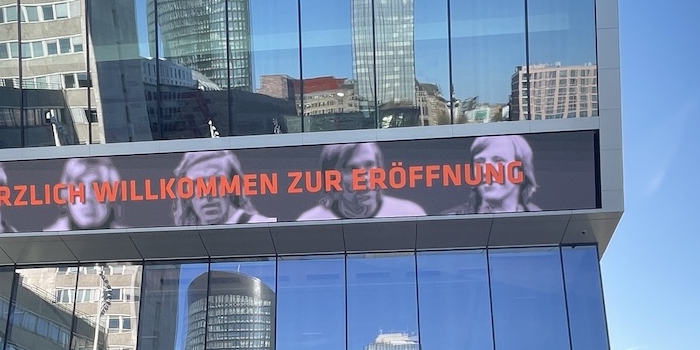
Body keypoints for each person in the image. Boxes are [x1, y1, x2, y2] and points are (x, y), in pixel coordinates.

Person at [297, 142, 426, 221]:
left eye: (369, 165)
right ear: (331, 177)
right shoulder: (309, 222)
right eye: (351, 169)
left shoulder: (410, 214)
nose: (363, 178)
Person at [442, 135, 541, 215]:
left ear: (521, 169)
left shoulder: (538, 217)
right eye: (479, 162)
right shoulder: (450, 218)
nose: (486, 171)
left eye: (498, 161)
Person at [172, 150, 276, 226]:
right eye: (196, 183)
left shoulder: (262, 226)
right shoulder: (185, 239)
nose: (208, 193)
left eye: (217, 180)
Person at [43, 157, 128, 231]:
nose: (87, 197)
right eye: (78, 184)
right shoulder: (47, 237)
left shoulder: (128, 236)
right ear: (65, 192)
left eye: (97, 185)